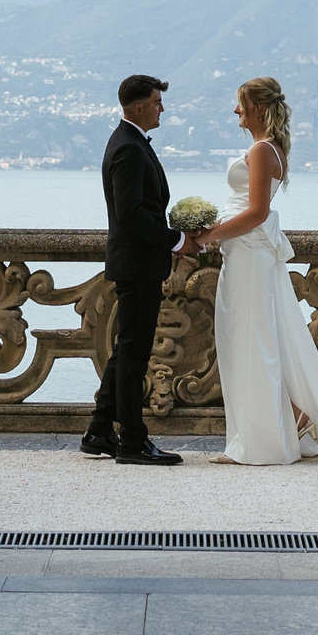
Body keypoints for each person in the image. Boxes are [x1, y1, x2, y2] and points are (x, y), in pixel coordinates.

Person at [190, 76, 318, 466]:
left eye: (241, 103)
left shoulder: (263, 150)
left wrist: (208, 236)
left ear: (258, 108)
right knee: (250, 340)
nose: (236, 110)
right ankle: (286, 420)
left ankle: (264, 440)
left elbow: (256, 212)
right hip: (244, 252)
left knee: (253, 342)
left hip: (249, 254)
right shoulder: (266, 148)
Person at [85, 72, 200, 466]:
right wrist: (177, 240)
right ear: (138, 108)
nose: (161, 109)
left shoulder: (128, 142)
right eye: (156, 103)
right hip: (137, 265)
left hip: (136, 264)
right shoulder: (129, 148)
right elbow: (131, 214)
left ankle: (99, 430)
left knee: (126, 352)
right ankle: (132, 441)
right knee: (134, 356)